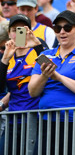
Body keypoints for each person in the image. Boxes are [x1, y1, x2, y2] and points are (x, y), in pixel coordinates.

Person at [28, 10, 75, 155]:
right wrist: (45, 75)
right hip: (48, 122)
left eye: (67, 28)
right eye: (57, 28)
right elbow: (33, 91)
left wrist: (59, 77)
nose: (62, 32)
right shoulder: (45, 55)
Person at [0, 14, 48, 151]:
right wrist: (4, 60)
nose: (18, 33)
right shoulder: (7, 55)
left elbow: (51, 71)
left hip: (36, 118)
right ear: (9, 33)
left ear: (29, 31)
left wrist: (37, 46)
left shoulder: (37, 48)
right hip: (13, 120)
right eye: (14, 30)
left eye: (22, 29)